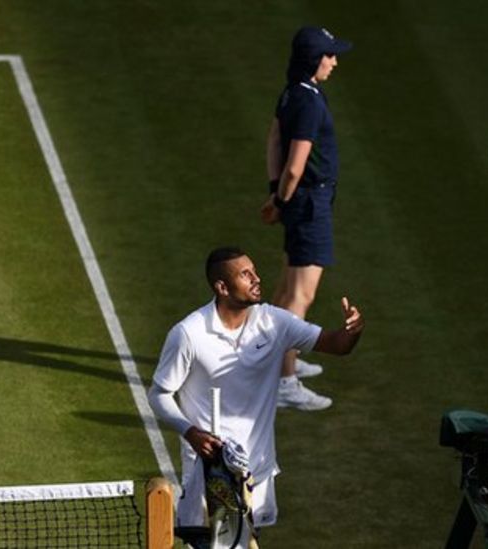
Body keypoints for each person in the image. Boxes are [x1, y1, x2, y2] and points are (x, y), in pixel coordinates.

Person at [147, 247, 364, 532]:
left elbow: (336, 345)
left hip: (257, 470)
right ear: (222, 287)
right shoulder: (189, 333)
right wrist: (190, 432)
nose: (256, 279)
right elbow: (159, 394)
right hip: (210, 473)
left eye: (255, 271)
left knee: (250, 540)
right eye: (246, 274)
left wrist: (353, 331)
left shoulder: (275, 322)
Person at [260, 26, 353, 410]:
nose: (333, 61)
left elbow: (273, 140)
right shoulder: (310, 101)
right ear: (314, 59)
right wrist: (281, 200)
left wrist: (274, 192)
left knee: (286, 290)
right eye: (328, 55)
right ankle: (284, 382)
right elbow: (296, 165)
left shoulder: (293, 92)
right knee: (300, 296)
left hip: (302, 203)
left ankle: (279, 361)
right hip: (309, 203)